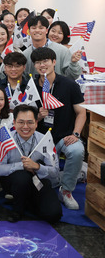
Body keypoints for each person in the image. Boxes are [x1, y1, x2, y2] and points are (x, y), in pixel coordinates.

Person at [31, 47, 86, 210]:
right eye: (38, 62)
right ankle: (61, 178)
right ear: (34, 65)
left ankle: (67, 190)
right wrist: (38, 117)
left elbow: (81, 112)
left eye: (46, 61)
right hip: (38, 139)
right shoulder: (31, 86)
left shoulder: (69, 85)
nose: (42, 65)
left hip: (63, 136)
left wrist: (76, 134)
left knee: (76, 151)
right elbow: (24, 117)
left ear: (54, 62)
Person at [0, 104, 62, 223]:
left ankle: (27, 202)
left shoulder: (45, 140)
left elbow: (55, 172)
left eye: (30, 122)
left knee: (53, 215)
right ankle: (18, 209)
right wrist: (22, 166)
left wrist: (37, 166)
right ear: (14, 123)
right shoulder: (5, 139)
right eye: (21, 122)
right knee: (22, 177)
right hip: (14, 182)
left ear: (36, 123)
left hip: (38, 180)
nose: (25, 127)